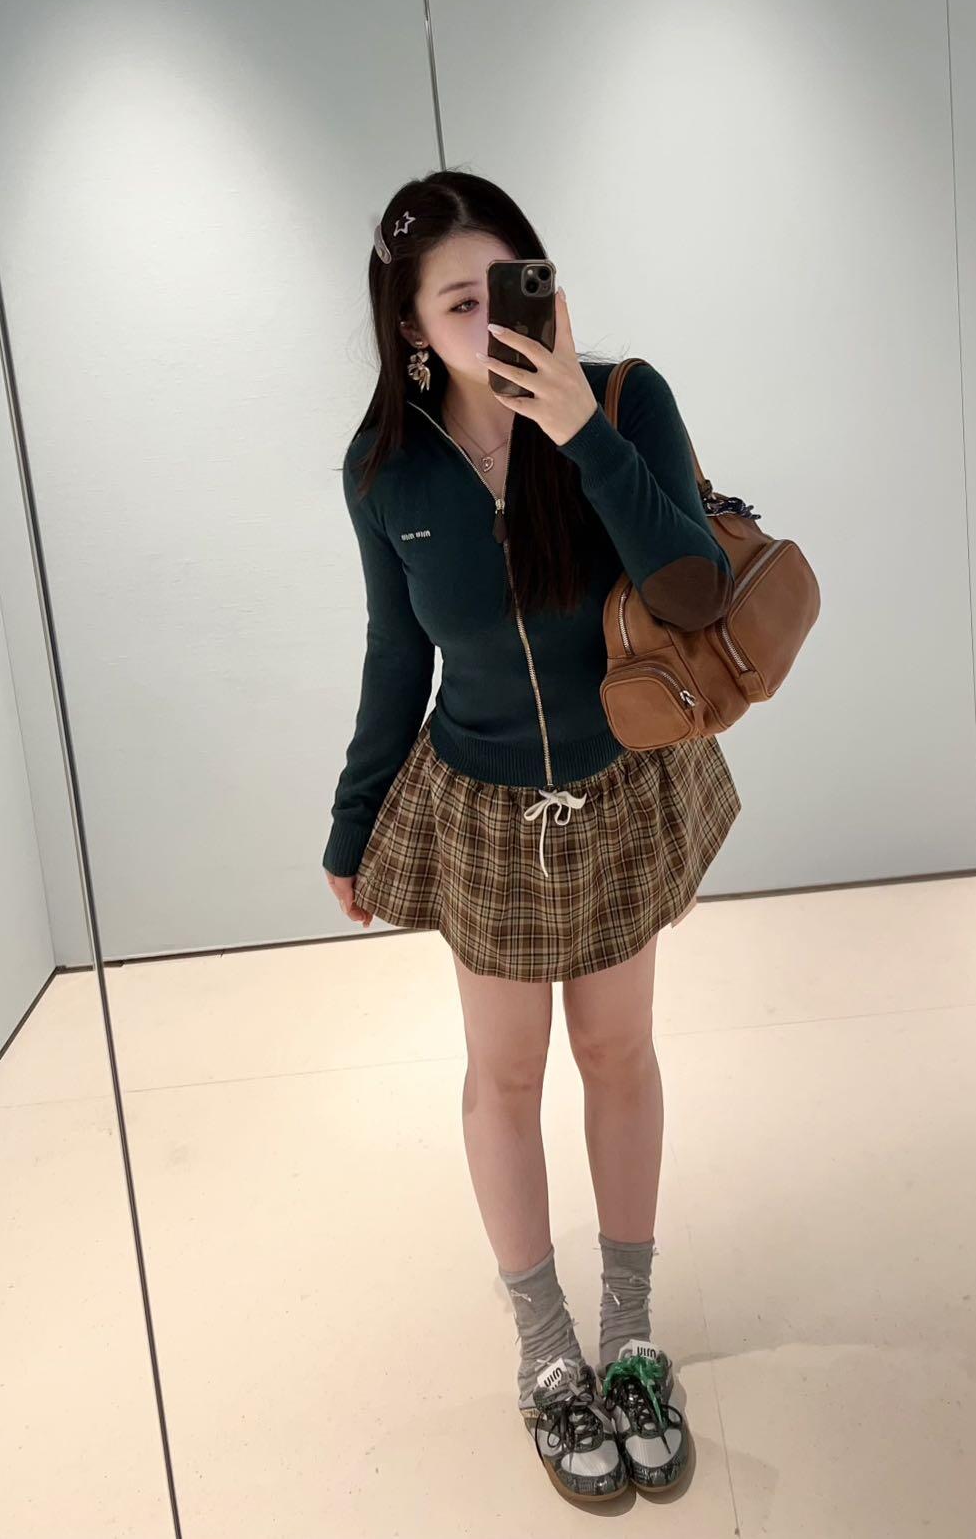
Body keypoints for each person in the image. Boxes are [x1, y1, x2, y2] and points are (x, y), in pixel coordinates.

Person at [321, 169, 741, 1502]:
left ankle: (630, 1330)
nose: (493, 318)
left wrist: (576, 427)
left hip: (619, 785)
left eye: (511, 286)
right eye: (459, 302)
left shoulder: (623, 399)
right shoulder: (385, 472)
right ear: (408, 326)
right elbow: (398, 653)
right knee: (503, 1077)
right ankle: (547, 1351)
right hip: (487, 806)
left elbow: (693, 589)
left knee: (617, 1052)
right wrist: (353, 817)